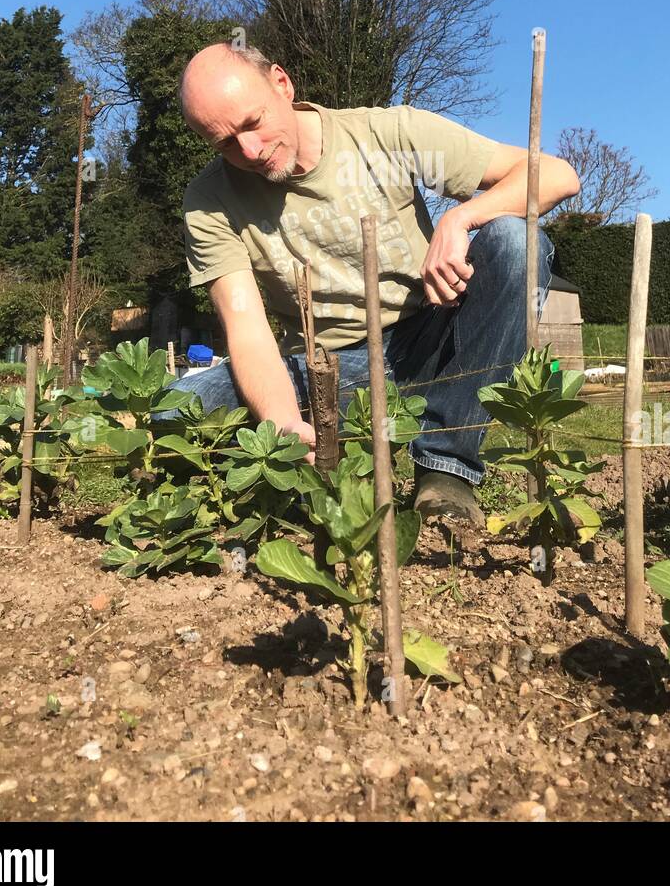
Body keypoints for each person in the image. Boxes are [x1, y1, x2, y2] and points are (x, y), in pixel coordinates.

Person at [170, 42, 580, 526]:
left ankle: (446, 471)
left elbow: (555, 175)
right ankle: (312, 466)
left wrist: (462, 218)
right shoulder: (208, 201)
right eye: (224, 143)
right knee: (178, 413)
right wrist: (279, 422)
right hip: (330, 370)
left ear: (282, 84)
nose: (249, 151)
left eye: (252, 123)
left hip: (435, 338)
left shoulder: (387, 133)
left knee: (513, 240)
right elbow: (245, 329)